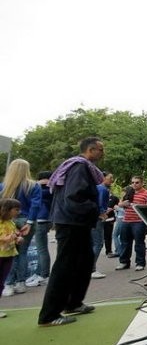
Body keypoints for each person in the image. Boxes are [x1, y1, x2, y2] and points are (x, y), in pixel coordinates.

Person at [38, 137, 106, 326]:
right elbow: (74, 196)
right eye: (100, 149)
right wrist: (94, 209)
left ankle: (73, 302)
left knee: (84, 262)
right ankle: (49, 315)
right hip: (71, 222)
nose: (103, 153)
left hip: (76, 222)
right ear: (91, 150)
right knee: (65, 265)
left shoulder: (81, 166)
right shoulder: (79, 167)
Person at [0, 158, 41, 297]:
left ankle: (8, 284)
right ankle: (21, 283)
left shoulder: (3, 186)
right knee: (22, 253)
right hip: (26, 220)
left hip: (7, 221)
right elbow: (36, 205)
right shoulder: (33, 186)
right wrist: (30, 222)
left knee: (9, 253)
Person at [115, 176, 147, 272]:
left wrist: (138, 206)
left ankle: (140, 263)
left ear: (142, 183)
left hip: (139, 221)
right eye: (133, 182)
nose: (134, 184)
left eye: (137, 182)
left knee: (139, 243)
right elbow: (119, 204)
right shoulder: (128, 192)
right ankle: (124, 262)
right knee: (125, 243)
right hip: (126, 220)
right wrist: (123, 204)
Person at [24, 171, 53, 287]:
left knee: (42, 249)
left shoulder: (45, 190)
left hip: (42, 220)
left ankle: (44, 275)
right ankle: (39, 273)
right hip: (46, 219)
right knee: (41, 248)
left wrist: (38, 184)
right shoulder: (50, 189)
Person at [0, 198, 24, 318]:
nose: (18, 212)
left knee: (1, 283)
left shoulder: (11, 223)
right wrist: (7, 238)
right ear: (7, 210)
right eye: (16, 209)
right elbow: (4, 237)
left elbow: (14, 235)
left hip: (8, 255)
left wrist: (18, 239)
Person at [90, 172, 114, 279]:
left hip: (90, 218)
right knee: (98, 243)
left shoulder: (95, 188)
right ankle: (91, 269)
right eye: (110, 178)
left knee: (92, 243)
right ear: (103, 178)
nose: (112, 180)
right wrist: (102, 213)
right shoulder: (103, 189)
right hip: (97, 218)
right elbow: (100, 204)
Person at [104, 191, 119, 257]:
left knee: (108, 235)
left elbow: (118, 208)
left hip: (109, 219)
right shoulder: (99, 196)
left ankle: (108, 251)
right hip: (99, 219)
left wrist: (112, 209)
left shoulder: (114, 198)